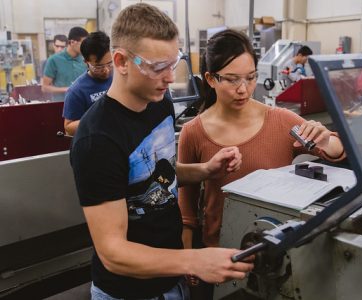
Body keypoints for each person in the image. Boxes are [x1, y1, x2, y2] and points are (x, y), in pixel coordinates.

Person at [70, 4, 253, 300]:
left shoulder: (159, 101)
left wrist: (205, 170)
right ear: (121, 61)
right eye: (158, 67)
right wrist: (195, 260)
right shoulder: (97, 140)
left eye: (174, 63)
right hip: (127, 293)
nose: (170, 78)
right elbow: (113, 253)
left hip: (171, 280)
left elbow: (158, 170)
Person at [177, 29, 345, 299]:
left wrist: (326, 139)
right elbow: (187, 208)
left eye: (251, 77)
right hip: (218, 253)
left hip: (276, 252)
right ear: (210, 79)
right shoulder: (193, 132)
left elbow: (337, 151)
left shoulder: (280, 120)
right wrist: (188, 259)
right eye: (231, 80)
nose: (243, 89)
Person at [63, 31, 113, 136]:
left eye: (109, 64)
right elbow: (69, 127)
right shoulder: (77, 90)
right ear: (86, 62)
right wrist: (98, 120)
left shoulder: (119, 77)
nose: (106, 70)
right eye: (98, 67)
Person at [42, 26, 88, 101]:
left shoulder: (85, 60)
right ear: (73, 42)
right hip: (61, 105)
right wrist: (68, 89)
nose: (86, 47)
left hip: (81, 104)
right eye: (83, 43)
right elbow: (45, 88)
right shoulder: (54, 60)